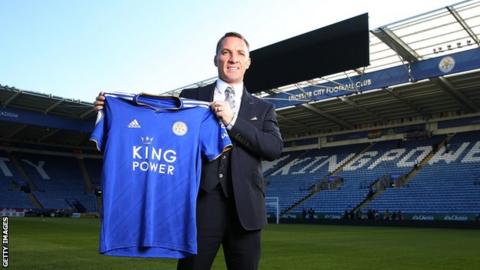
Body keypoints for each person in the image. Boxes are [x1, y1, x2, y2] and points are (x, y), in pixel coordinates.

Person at [94, 32, 283, 270]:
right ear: (215, 59)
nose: (232, 58)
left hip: (246, 211)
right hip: (199, 207)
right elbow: (157, 123)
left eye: (239, 53)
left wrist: (232, 121)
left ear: (248, 61)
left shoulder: (264, 108)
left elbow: (273, 148)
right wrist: (112, 109)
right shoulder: (191, 98)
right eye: (225, 52)